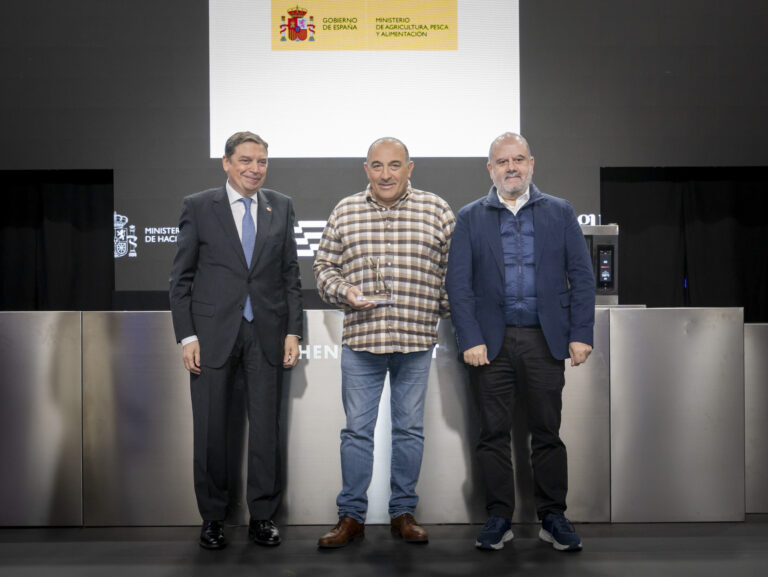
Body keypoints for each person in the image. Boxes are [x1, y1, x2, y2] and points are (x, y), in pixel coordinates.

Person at [445, 132, 594, 552]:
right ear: (490, 169)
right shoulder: (470, 217)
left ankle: (553, 517)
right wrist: (470, 337)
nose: (511, 167)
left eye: (518, 159)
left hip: (544, 341)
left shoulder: (560, 212)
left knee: (547, 431)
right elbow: (459, 285)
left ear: (531, 163)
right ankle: (499, 517)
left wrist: (581, 334)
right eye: (502, 161)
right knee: (492, 434)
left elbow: (582, 278)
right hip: (489, 346)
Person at [313, 137, 455, 548]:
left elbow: (455, 273)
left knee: (409, 431)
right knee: (356, 432)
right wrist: (346, 292)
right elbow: (323, 268)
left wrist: (436, 309)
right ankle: (351, 516)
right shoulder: (345, 210)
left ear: (410, 168)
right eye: (377, 165)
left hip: (415, 340)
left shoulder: (437, 210)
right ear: (366, 169)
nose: (386, 174)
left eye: (395, 165)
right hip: (363, 340)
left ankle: (403, 513)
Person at [169, 131, 303, 549]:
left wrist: (293, 330)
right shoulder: (198, 206)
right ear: (226, 163)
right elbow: (181, 279)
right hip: (212, 335)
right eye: (245, 160)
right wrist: (187, 335)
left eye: (261, 161)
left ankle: (263, 516)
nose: (254, 169)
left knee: (266, 430)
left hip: (266, 332)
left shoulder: (281, 205)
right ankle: (213, 517)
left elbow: (290, 275)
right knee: (211, 429)